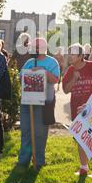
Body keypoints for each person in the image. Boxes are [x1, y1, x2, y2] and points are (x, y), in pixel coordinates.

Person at [62, 43, 92, 178]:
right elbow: (65, 90)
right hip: (77, 111)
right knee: (81, 138)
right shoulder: (70, 70)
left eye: (73, 53)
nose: (70, 56)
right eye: (69, 53)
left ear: (81, 56)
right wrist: (74, 79)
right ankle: (83, 167)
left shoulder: (91, 66)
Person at [18, 38, 60, 171]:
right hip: (27, 102)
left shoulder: (52, 62)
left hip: (44, 103)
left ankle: (39, 161)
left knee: (40, 133)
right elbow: (21, 78)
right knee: (26, 131)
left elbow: (55, 79)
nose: (33, 49)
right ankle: (23, 161)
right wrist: (29, 73)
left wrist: (43, 71)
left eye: (36, 47)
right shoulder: (29, 62)